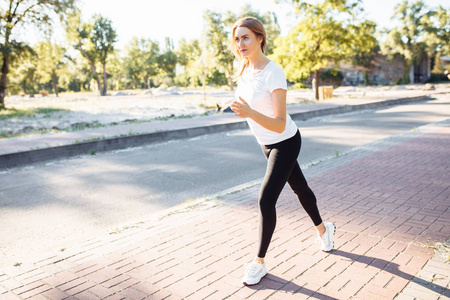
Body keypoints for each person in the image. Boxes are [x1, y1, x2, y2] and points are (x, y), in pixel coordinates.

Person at [229, 16, 336, 286]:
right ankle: (325, 229)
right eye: (237, 39)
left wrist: (250, 112)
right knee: (299, 187)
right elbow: (252, 105)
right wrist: (244, 109)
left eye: (246, 37)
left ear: (260, 38)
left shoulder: (273, 72)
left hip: (285, 140)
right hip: (266, 143)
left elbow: (278, 123)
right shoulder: (242, 69)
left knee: (266, 200)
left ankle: (259, 262)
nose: (240, 43)